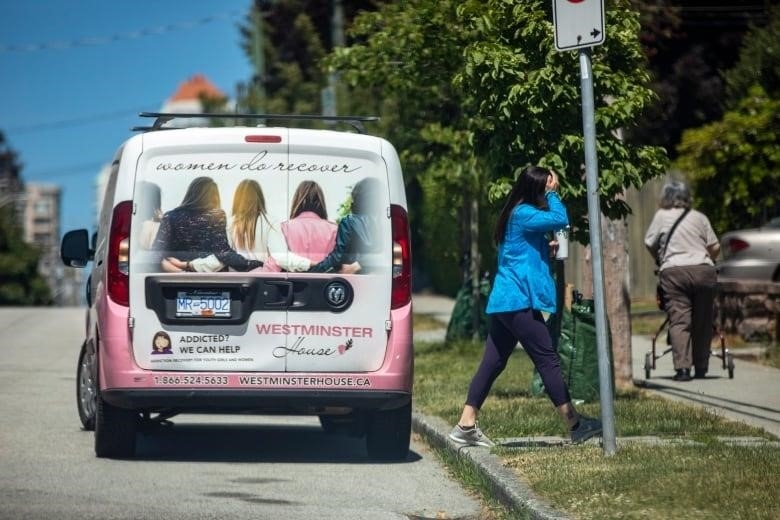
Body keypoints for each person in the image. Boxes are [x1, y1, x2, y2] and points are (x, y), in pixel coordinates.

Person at [449, 165, 602, 447]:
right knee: (548, 360)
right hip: (518, 301)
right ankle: (576, 425)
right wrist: (553, 193)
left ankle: (465, 425)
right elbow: (560, 218)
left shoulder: (516, 213)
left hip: (506, 301)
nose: (552, 189)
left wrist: (547, 249)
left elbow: (522, 253)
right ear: (538, 189)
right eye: (548, 186)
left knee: (493, 363)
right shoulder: (523, 213)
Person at [644, 180, 720, 381]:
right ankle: (702, 367)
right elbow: (714, 246)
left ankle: (683, 369)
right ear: (688, 197)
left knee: (679, 320)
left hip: (674, 271)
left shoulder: (661, 217)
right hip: (703, 270)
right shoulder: (699, 217)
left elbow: (649, 242)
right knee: (703, 321)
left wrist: (660, 258)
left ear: (665, 197)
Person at [167, 179, 311, 273]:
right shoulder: (270, 222)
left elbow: (220, 259)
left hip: (235, 283)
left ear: (237, 199)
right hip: (265, 283)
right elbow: (281, 258)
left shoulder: (229, 223)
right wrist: (311, 264)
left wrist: (188, 265)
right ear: (260, 198)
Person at [151, 176, 261, 272]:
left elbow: (155, 255)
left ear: (190, 194)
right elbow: (223, 253)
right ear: (214, 197)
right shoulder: (216, 216)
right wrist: (250, 264)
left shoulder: (170, 216)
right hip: (211, 280)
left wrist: (179, 272)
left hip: (173, 281)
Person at [309, 177, 381, 274]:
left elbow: (337, 257)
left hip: (357, 280)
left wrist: (314, 271)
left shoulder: (349, 222)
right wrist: (361, 263)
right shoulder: (388, 221)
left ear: (357, 197)